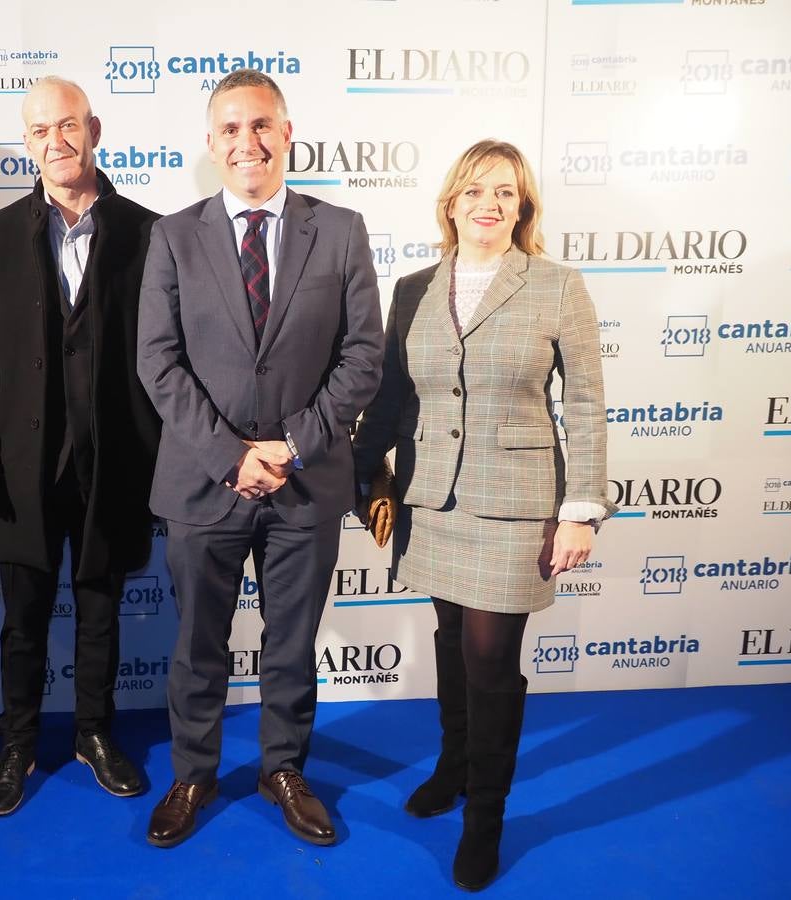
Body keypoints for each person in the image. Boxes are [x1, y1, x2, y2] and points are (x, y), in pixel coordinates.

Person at [352, 139, 616, 891]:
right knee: (447, 638)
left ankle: (485, 819)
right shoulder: (413, 289)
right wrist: (364, 475)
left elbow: (587, 406)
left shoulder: (558, 286)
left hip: (517, 504)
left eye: (505, 192)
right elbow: (393, 398)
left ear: (523, 207)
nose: (488, 204)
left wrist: (581, 510)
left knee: (492, 658)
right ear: (451, 203)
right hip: (431, 500)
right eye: (474, 191)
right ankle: (454, 766)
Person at [136, 69, 384, 848]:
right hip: (204, 485)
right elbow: (158, 360)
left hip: (304, 485)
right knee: (197, 644)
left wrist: (292, 444)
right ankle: (193, 771)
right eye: (231, 130)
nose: (249, 142)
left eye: (262, 126)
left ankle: (284, 768)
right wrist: (228, 454)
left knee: (290, 643)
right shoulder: (173, 235)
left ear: (288, 135)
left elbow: (364, 356)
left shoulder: (340, 230)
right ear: (211, 145)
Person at [0, 76, 161, 816]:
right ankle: (18, 744)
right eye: (40, 131)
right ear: (27, 142)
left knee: (101, 607)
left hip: (114, 464)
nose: (56, 142)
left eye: (67, 126)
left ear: (94, 129)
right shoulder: (2, 234)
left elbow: (165, 358)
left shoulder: (148, 230)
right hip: (21, 465)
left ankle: (94, 734)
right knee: (24, 618)